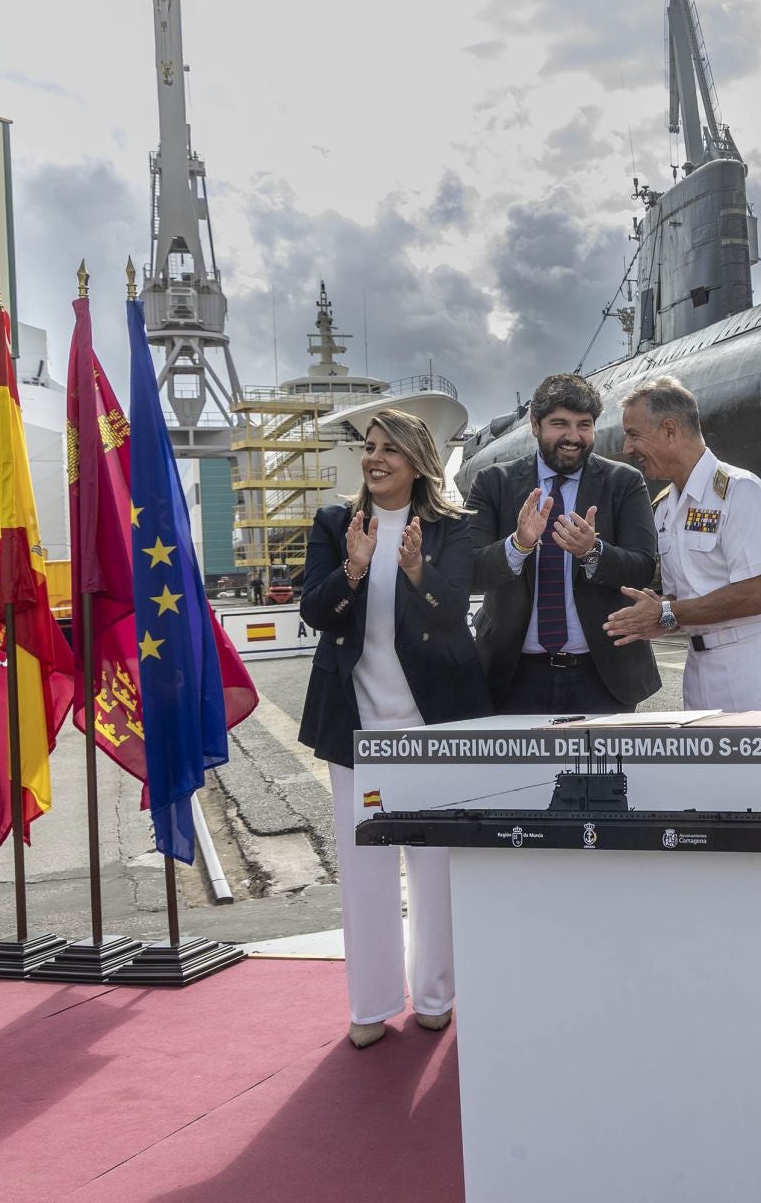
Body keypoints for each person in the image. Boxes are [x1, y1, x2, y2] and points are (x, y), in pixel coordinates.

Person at [298, 408, 492, 1050]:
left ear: (417, 461)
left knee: (435, 866)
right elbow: (317, 611)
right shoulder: (335, 523)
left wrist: (415, 573)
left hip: (432, 724)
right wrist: (354, 568)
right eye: (369, 447)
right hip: (356, 724)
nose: (374, 459)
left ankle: (436, 995)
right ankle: (371, 1003)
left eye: (389, 450)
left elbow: (450, 614)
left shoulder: (452, 528)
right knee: (363, 868)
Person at [467, 373, 660, 716]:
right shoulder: (493, 483)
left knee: (601, 771)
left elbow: (643, 566)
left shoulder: (623, 482)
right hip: (513, 675)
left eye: (584, 425)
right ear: (535, 425)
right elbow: (471, 569)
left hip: (601, 675)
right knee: (520, 772)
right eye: (560, 424)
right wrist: (518, 545)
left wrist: (592, 551)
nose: (573, 437)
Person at [604, 375, 761, 710]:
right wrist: (649, 612)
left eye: (634, 434)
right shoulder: (667, 507)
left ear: (669, 430)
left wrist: (666, 613)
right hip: (698, 661)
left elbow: (754, 594)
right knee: (703, 763)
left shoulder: (740, 491)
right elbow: (683, 595)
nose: (627, 449)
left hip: (751, 658)